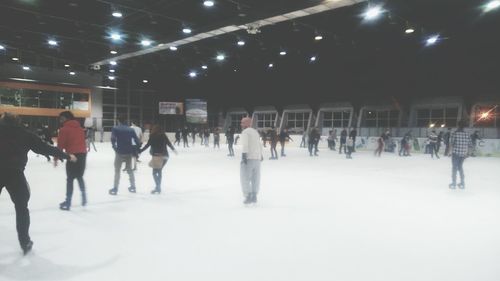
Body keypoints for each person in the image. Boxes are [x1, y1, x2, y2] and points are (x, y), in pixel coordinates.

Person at [0, 112, 76, 255]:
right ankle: (25, 241)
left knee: (22, 207)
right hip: (15, 175)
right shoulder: (24, 134)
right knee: (22, 208)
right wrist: (67, 156)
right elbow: (46, 148)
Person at [55, 111, 88, 211]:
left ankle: (68, 202)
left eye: (61, 119)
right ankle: (84, 197)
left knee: (70, 179)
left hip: (72, 155)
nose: (60, 121)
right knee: (79, 176)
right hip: (82, 154)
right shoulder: (80, 128)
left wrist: (56, 157)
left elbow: (60, 145)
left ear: (65, 118)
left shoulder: (64, 129)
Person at [140, 125, 177, 194]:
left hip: (158, 156)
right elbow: (169, 144)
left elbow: (147, 145)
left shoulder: (152, 136)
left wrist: (140, 151)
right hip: (165, 156)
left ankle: (158, 187)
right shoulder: (163, 135)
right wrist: (174, 150)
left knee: (154, 173)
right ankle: (158, 187)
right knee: (159, 171)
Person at [109, 116, 140, 195]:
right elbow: (137, 141)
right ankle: (133, 186)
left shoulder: (115, 128)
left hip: (119, 152)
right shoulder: (131, 129)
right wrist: (135, 149)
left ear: (118, 121)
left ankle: (115, 188)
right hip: (128, 152)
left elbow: (112, 139)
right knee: (129, 170)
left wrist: (114, 147)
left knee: (117, 171)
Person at [240, 117, 263, 204]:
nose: (241, 124)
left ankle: (248, 195)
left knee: (245, 177)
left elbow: (245, 144)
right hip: (257, 159)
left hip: (249, 158)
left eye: (242, 123)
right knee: (255, 178)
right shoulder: (255, 132)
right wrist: (261, 155)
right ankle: (254, 195)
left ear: (247, 123)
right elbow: (259, 144)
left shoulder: (245, 132)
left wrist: (244, 155)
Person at [449, 120, 472, 189]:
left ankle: (453, 184)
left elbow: (451, 144)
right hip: (463, 154)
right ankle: (462, 183)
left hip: (456, 153)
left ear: (458, 126)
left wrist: (449, 152)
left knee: (454, 168)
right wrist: (468, 154)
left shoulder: (454, 133)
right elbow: (470, 145)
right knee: (460, 168)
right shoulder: (467, 134)